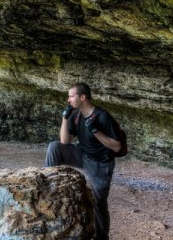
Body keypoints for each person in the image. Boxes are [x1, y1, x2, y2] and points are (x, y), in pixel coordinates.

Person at [44, 82, 122, 240]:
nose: (68, 100)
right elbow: (65, 141)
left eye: (71, 96)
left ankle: (101, 237)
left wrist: (96, 132)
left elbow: (117, 147)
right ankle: (46, 184)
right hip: (83, 155)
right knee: (55, 147)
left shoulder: (102, 116)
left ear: (83, 97)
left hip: (101, 164)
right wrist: (65, 118)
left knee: (99, 202)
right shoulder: (76, 115)